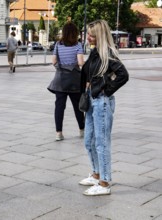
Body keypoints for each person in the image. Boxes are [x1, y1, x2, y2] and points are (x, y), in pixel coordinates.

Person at [79, 20, 129, 196]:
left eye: (91, 34)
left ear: (99, 35)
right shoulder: (95, 52)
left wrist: (106, 90)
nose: (88, 37)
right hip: (92, 101)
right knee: (89, 141)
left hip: (102, 102)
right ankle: (96, 173)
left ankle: (105, 182)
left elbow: (123, 75)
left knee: (101, 143)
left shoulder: (107, 53)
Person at [49, 22, 85, 141]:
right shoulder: (78, 45)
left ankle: (59, 133)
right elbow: (80, 63)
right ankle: (82, 130)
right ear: (75, 33)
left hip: (60, 80)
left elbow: (53, 61)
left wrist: (61, 67)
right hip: (74, 79)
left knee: (59, 106)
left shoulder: (58, 45)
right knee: (77, 106)